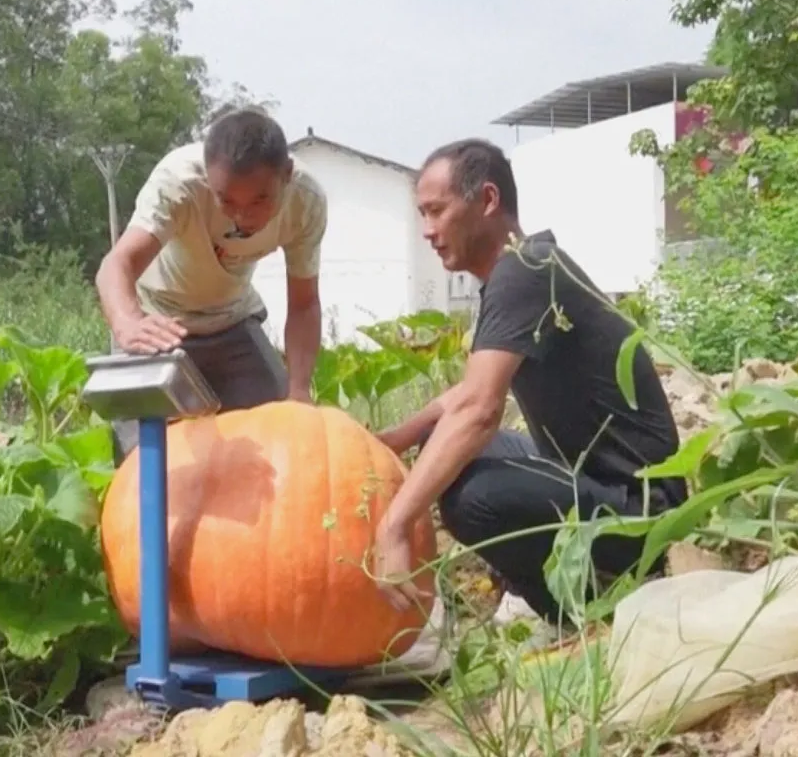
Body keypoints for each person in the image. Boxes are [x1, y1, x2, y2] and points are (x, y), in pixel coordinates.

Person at [369, 138, 687, 633]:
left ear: (488, 200)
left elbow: (478, 410)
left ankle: (583, 617)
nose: (428, 231)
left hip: (641, 510)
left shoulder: (523, 272)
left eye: (437, 211)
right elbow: (468, 394)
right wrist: (397, 438)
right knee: (441, 443)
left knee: (470, 498)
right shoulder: (527, 264)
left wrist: (393, 526)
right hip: (592, 480)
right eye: (421, 215)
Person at [95, 108, 326, 463]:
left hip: (232, 322)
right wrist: (128, 322)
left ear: (287, 176)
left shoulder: (306, 201)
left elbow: (304, 304)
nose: (243, 216)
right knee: (140, 465)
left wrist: (298, 389)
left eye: (260, 200)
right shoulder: (178, 181)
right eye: (226, 200)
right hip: (157, 327)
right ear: (207, 178)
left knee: (282, 437)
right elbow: (117, 264)